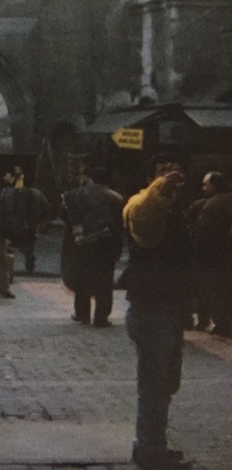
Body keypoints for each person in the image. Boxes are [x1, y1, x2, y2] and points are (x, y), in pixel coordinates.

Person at [121, 152, 193, 470]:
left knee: (164, 383)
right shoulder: (142, 204)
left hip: (168, 307)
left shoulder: (175, 211)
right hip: (152, 309)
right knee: (154, 384)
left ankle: (153, 445)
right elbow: (146, 219)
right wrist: (160, 189)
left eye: (176, 170)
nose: (171, 175)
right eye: (163, 170)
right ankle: (149, 449)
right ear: (151, 177)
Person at [61, 166, 123, 327]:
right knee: (104, 282)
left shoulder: (77, 195)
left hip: (83, 245)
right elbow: (119, 226)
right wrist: (117, 249)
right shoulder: (115, 197)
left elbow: (69, 222)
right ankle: (101, 317)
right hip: (106, 245)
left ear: (92, 179)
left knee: (82, 279)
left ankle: (82, 314)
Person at [188, 170, 232, 337]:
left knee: (211, 290)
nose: (203, 188)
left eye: (205, 184)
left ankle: (218, 324)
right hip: (226, 255)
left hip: (213, 256)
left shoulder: (211, 204)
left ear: (215, 185)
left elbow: (202, 232)